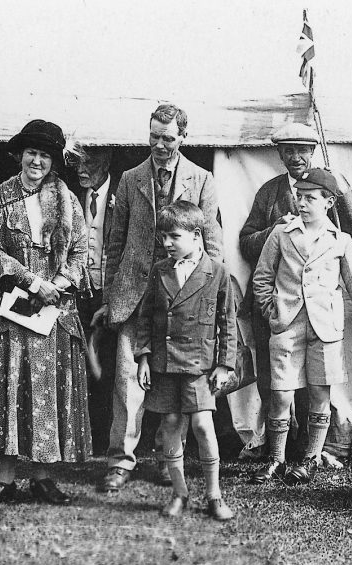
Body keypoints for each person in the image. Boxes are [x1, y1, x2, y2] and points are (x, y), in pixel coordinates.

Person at [95, 103, 223, 493]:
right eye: (154, 136)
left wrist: (204, 294)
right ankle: (121, 460)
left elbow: (213, 246)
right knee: (128, 381)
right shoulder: (130, 179)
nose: (160, 145)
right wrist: (110, 295)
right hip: (135, 296)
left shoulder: (202, 181)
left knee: (178, 380)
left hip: (181, 296)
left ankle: (172, 458)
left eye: (168, 138)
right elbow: (114, 244)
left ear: (183, 137)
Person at [0, 119, 91, 507]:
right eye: (31, 153)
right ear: (20, 155)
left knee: (47, 390)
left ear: (54, 161)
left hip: (54, 309)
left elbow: (81, 250)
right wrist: (32, 282)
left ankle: (43, 478)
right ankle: (5, 480)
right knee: (10, 387)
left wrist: (58, 282)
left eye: (45, 155)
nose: (37, 161)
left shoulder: (67, 200)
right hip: (12, 306)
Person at [237, 122, 352, 461]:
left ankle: (311, 451)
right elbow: (247, 243)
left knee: (318, 382)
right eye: (289, 150)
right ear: (280, 154)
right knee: (276, 383)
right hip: (283, 308)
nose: (296, 156)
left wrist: (341, 192)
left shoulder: (329, 189)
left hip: (319, 313)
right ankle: (275, 449)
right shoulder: (270, 192)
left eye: (302, 150)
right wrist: (273, 230)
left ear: (313, 152)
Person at [251, 168, 352, 485]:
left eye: (310, 198)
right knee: (281, 396)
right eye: (300, 196)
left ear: (329, 202)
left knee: (320, 395)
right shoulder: (281, 234)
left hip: (326, 329)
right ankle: (275, 459)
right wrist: (273, 312)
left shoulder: (341, 241)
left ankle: (309, 460)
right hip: (287, 327)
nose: (302, 203)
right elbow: (262, 279)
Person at [135, 200, 237, 520]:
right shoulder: (160, 271)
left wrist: (224, 364)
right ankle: (180, 493)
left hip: (199, 365)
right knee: (169, 425)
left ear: (196, 235)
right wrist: (144, 357)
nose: (166, 243)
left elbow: (227, 323)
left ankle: (214, 495)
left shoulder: (217, 273)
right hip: (165, 363)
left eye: (173, 237)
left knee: (204, 426)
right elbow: (146, 318)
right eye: (162, 237)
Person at [65, 140, 118, 455]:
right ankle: (79, 439)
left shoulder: (123, 191)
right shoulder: (69, 192)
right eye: (76, 163)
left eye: (88, 163)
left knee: (108, 368)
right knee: (79, 363)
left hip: (110, 293)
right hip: (76, 291)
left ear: (107, 159)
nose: (81, 170)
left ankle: (104, 439)